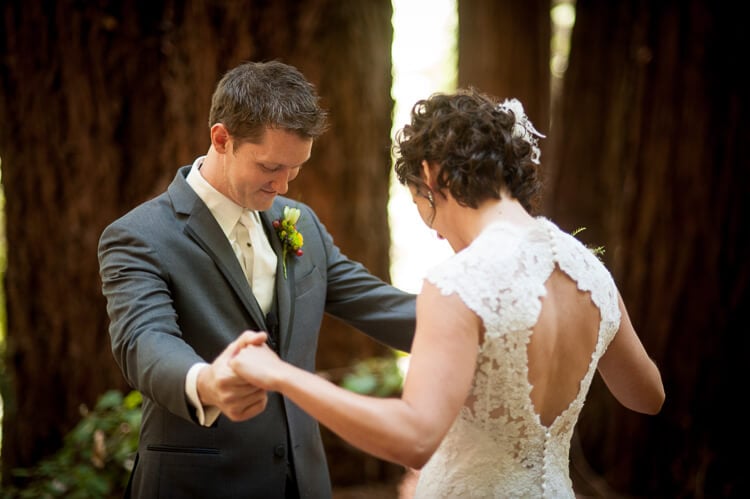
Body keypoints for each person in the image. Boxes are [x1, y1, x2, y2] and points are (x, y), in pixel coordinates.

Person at [229, 88, 666, 498]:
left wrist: (281, 374)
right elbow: (647, 395)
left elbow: (414, 438)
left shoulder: (460, 281)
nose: (435, 231)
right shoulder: (588, 269)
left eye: (419, 203)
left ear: (428, 174)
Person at [97, 60, 416, 499]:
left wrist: (483, 320)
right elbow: (144, 340)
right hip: (197, 486)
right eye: (270, 168)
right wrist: (207, 382)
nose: (283, 186)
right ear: (222, 139)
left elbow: (377, 304)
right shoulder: (139, 236)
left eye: (295, 169)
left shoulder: (299, 222)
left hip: (304, 484)